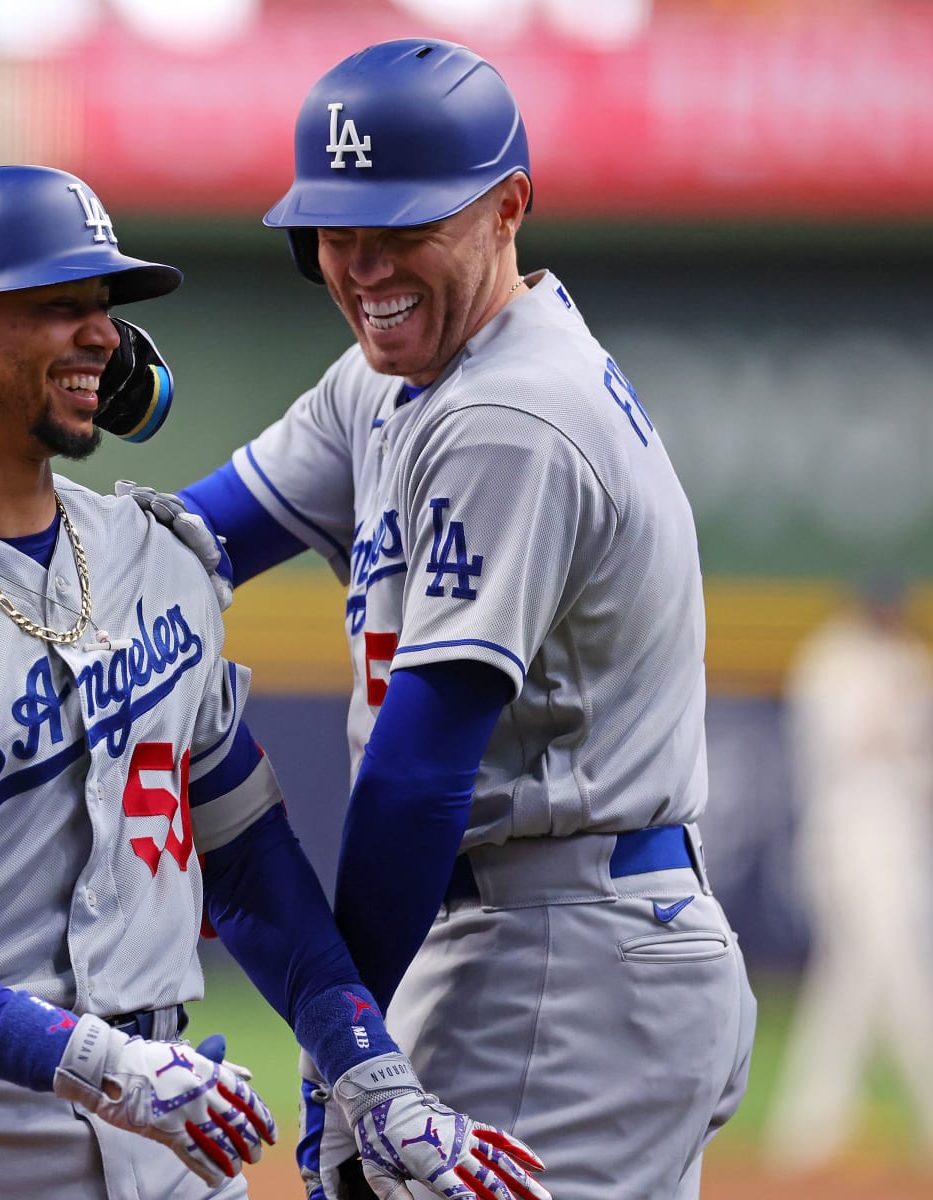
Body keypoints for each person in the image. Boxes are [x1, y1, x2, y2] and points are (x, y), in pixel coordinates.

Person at [0, 164, 549, 1200]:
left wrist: (368, 1069)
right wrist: (92, 1063)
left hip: (171, 1124)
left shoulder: (158, 559)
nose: (104, 336)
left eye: (104, 309)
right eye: (58, 306)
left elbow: (246, 859)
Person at [140, 39, 758, 1200]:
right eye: (334, 229)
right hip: (534, 943)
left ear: (508, 207)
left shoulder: (512, 412)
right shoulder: (393, 379)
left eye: (401, 225)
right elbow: (193, 545)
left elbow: (420, 774)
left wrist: (348, 1051)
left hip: (563, 959)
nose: (363, 264)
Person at [766, 580, 933, 1171]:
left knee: (854, 981)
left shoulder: (914, 661)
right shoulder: (834, 659)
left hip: (907, 838)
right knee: (902, 973)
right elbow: (850, 742)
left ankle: (807, 1127)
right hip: (849, 835)